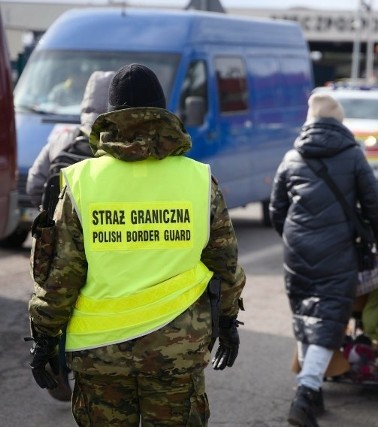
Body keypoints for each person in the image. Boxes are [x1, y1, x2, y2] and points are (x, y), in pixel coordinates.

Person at [27, 63, 246, 425]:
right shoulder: (198, 180)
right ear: (164, 114)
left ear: (109, 117)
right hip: (175, 350)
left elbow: (60, 278)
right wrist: (228, 323)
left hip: (100, 355)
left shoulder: (81, 182)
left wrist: (44, 338)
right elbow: (225, 264)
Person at [269, 92, 378, 427]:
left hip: (297, 248)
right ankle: (305, 393)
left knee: (307, 316)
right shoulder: (352, 154)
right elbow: (374, 205)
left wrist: (293, 237)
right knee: (329, 319)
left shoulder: (292, 156)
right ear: (339, 122)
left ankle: (315, 390)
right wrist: (376, 238)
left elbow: (277, 208)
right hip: (338, 249)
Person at [25, 70, 115, 402]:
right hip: (100, 244)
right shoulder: (115, 146)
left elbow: (36, 184)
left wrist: (50, 214)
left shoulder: (60, 137)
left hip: (52, 246)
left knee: (52, 302)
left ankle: (56, 364)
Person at [27, 70, 115, 209]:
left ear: (86, 99)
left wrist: (52, 211)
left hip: (62, 226)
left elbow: (34, 184)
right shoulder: (124, 146)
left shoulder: (60, 140)